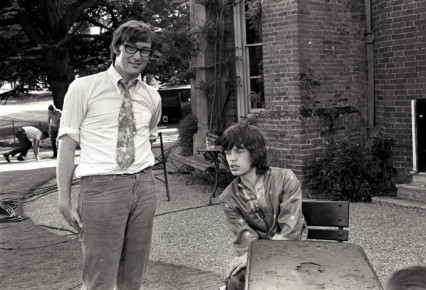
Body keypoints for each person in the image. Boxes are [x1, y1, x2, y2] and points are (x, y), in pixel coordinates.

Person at [57, 20, 161, 290]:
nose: (138, 56)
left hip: (144, 185)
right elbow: (67, 145)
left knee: (133, 275)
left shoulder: (152, 97)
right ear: (116, 47)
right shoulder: (83, 88)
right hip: (101, 188)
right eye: (131, 48)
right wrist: (64, 200)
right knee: (100, 277)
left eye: (145, 50)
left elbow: (147, 135)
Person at [216, 123, 308, 290]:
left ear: (255, 152)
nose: (232, 158)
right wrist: (253, 255)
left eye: (239, 151)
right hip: (257, 258)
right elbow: (246, 241)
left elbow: (291, 232)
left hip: (293, 253)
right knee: (234, 280)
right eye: (228, 152)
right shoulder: (228, 198)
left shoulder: (285, 179)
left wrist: (255, 255)